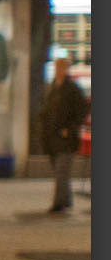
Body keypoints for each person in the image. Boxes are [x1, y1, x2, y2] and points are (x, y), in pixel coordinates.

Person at [42, 57, 89, 214]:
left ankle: (58, 203)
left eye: (61, 67)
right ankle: (66, 199)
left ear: (66, 69)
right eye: (57, 67)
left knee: (62, 170)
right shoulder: (51, 87)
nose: (59, 70)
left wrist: (71, 128)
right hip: (52, 137)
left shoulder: (72, 89)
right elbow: (45, 110)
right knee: (59, 171)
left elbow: (82, 109)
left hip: (66, 137)